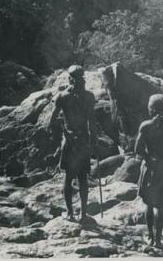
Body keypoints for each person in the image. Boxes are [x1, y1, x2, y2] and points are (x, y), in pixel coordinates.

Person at [50, 65, 98, 222]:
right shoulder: (89, 97)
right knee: (82, 177)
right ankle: (83, 214)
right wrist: (94, 142)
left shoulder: (62, 96)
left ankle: (70, 213)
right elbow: (92, 122)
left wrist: (63, 134)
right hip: (83, 140)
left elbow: (51, 122)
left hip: (70, 141)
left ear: (69, 79)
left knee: (69, 177)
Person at [134, 94, 163, 248]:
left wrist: (148, 158)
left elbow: (137, 149)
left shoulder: (146, 126)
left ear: (152, 110)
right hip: (162, 168)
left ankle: (151, 237)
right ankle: (159, 240)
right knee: (160, 205)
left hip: (149, 167)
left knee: (148, 204)